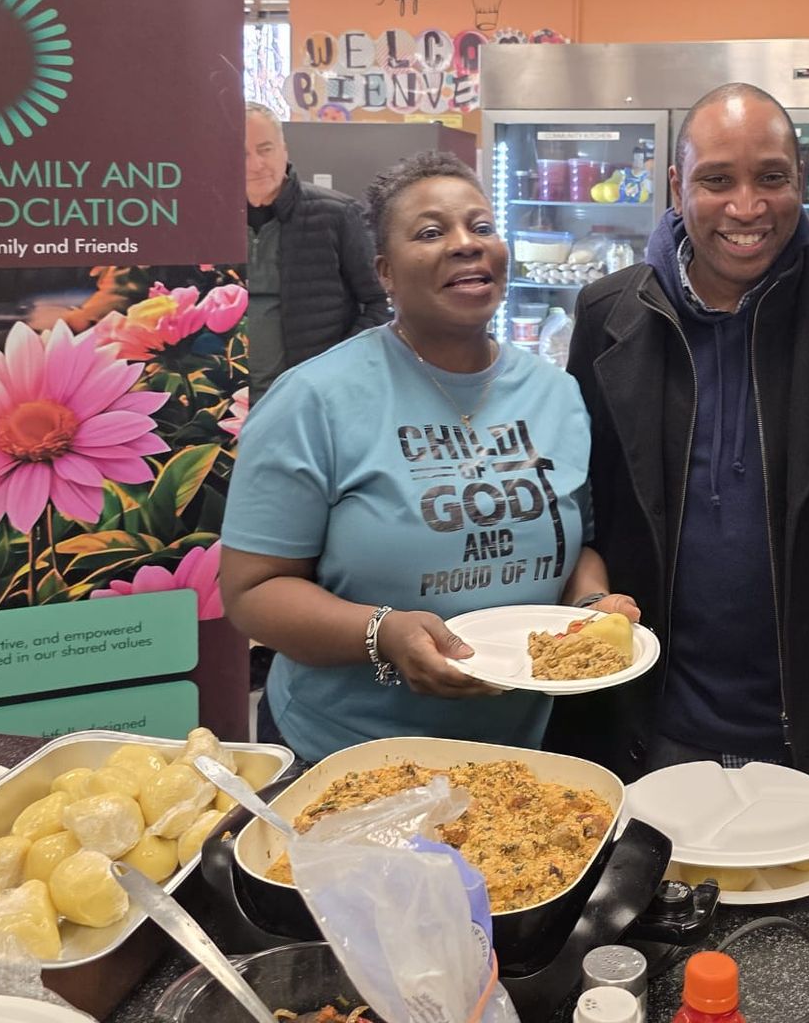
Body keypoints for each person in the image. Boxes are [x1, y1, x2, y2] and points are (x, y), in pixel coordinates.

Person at [545, 83, 809, 914]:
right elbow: (589, 514)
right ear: (674, 186)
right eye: (717, 180)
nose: (746, 206)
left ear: (802, 179)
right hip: (656, 726)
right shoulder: (608, 317)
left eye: (771, 177)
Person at [218, 152, 637, 762]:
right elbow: (253, 590)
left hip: (524, 751)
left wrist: (591, 607)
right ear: (385, 273)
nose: (467, 245)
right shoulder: (315, 399)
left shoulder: (558, 395)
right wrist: (382, 634)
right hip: (350, 753)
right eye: (432, 232)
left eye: (483, 227)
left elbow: (579, 544)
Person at [240, 103, 390, 409]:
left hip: (314, 404)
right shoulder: (206, 222)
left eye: (265, 149)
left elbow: (381, 302)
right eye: (241, 154)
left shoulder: (336, 215)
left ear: (284, 149)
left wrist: (337, 367)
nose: (255, 164)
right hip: (230, 411)